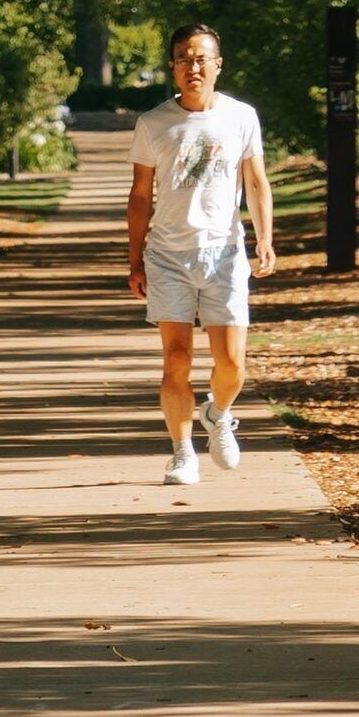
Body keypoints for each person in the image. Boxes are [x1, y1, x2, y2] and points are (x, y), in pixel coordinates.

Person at [123, 24, 275, 485]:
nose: (194, 67)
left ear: (217, 64)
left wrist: (264, 238)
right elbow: (140, 196)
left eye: (202, 58)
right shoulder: (153, 123)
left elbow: (255, 181)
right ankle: (181, 451)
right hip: (168, 255)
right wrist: (134, 259)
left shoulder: (241, 117)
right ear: (172, 66)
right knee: (176, 358)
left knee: (232, 364)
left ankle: (219, 412)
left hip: (225, 253)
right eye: (184, 59)